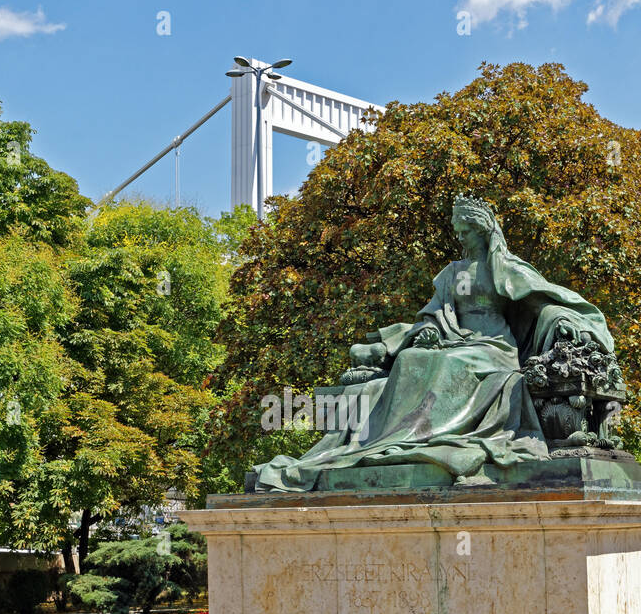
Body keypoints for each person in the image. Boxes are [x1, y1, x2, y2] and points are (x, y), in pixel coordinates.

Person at [253, 195, 616, 492]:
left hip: (493, 347)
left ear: (482, 230)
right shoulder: (450, 274)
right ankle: (401, 440)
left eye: (466, 231)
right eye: (457, 231)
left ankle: (421, 435)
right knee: (411, 358)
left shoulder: (505, 270)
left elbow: (549, 303)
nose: (460, 238)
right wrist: (428, 331)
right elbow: (432, 315)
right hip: (453, 340)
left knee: (448, 366)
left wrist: (568, 321)